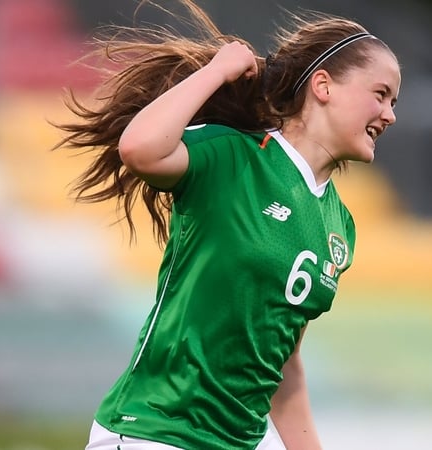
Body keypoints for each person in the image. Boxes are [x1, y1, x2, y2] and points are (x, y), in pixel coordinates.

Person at [55, 1, 400, 448]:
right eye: (380, 94)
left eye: (394, 102)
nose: (390, 114)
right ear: (323, 86)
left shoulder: (339, 225)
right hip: (154, 431)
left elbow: (281, 359)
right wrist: (217, 70)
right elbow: (140, 148)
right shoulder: (233, 157)